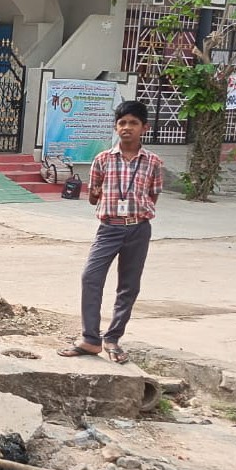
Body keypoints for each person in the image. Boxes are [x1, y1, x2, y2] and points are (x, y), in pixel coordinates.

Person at [58, 100, 163, 365]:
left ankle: (113, 338)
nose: (127, 128)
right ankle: (90, 339)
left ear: (144, 128)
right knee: (90, 277)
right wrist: (101, 196)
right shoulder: (102, 159)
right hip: (109, 228)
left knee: (129, 286)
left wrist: (135, 212)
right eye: (122, 123)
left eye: (133, 123)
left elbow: (152, 196)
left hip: (139, 228)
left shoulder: (153, 162)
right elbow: (93, 196)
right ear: (116, 128)